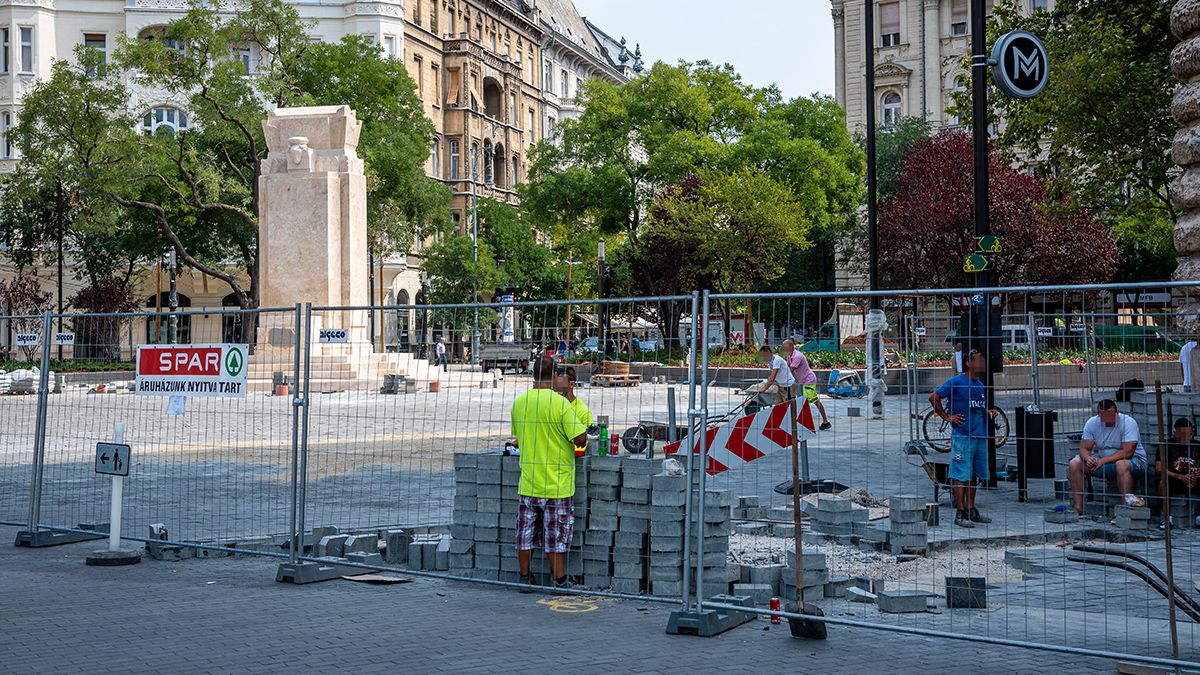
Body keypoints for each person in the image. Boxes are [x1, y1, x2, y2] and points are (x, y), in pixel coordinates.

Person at [510, 355, 588, 590]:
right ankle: (560, 580)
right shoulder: (560, 404)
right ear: (554, 376)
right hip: (557, 483)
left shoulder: (520, 401)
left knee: (525, 532)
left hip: (529, 481)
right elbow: (580, 438)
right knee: (556, 534)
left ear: (533, 375)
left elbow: (518, 439)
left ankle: (524, 578)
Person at [929, 348, 1000, 528]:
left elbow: (977, 407)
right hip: (963, 436)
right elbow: (934, 397)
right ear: (968, 363)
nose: (982, 363)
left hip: (979, 436)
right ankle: (960, 513)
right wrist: (946, 417)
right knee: (961, 475)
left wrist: (988, 412)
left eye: (982, 359)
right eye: (978, 359)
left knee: (974, 475)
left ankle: (971, 509)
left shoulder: (980, 385)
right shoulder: (956, 382)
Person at [1068, 399, 1148, 513]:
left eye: (1110, 415)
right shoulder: (1092, 423)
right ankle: (1078, 508)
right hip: (1104, 462)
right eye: (1104, 416)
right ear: (1098, 415)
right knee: (1074, 463)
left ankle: (1125, 510)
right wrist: (1088, 458)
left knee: (1121, 464)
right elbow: (1084, 448)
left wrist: (1102, 461)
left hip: (1134, 461)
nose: (1108, 419)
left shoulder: (1128, 422)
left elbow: (1128, 452)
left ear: (1117, 412)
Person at [1159, 417, 1200, 528]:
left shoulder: (1197, 445)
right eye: (1183, 435)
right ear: (1175, 433)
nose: (1187, 438)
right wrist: (1180, 477)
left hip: (1193, 479)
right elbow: (1159, 468)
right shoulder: (1166, 445)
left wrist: (1197, 473)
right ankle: (1167, 518)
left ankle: (1199, 517)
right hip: (1174, 479)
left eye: (1190, 434)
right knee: (1162, 484)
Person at [782, 339, 831, 430]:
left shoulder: (797, 356)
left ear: (791, 347)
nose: (784, 349)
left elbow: (790, 370)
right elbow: (786, 368)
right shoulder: (790, 356)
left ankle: (820, 422)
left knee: (810, 401)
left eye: (785, 347)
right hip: (803, 381)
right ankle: (824, 421)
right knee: (808, 401)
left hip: (809, 380)